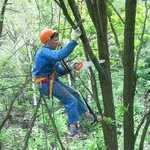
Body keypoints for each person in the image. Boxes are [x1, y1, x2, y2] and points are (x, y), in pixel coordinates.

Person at [32, 27, 98, 140]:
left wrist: (72, 67)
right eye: (55, 40)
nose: (57, 42)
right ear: (48, 41)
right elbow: (60, 55)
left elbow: (60, 71)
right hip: (45, 83)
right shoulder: (44, 52)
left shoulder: (50, 54)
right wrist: (74, 40)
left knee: (75, 94)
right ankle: (73, 131)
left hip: (51, 81)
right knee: (70, 100)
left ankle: (90, 117)